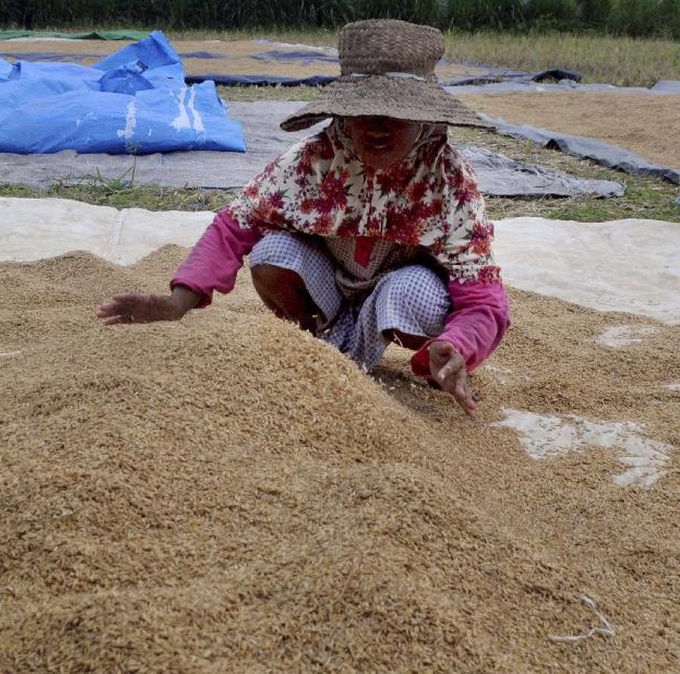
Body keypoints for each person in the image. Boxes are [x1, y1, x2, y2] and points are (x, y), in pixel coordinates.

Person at [96, 19, 510, 417]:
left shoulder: (449, 179)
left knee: (407, 289)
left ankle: (434, 363)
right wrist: (177, 302)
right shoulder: (312, 162)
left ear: (425, 116)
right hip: (330, 280)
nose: (379, 128)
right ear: (342, 112)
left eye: (397, 113)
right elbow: (235, 224)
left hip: (401, 293)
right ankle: (308, 342)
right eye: (363, 110)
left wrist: (458, 343)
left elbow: (482, 298)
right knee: (272, 250)